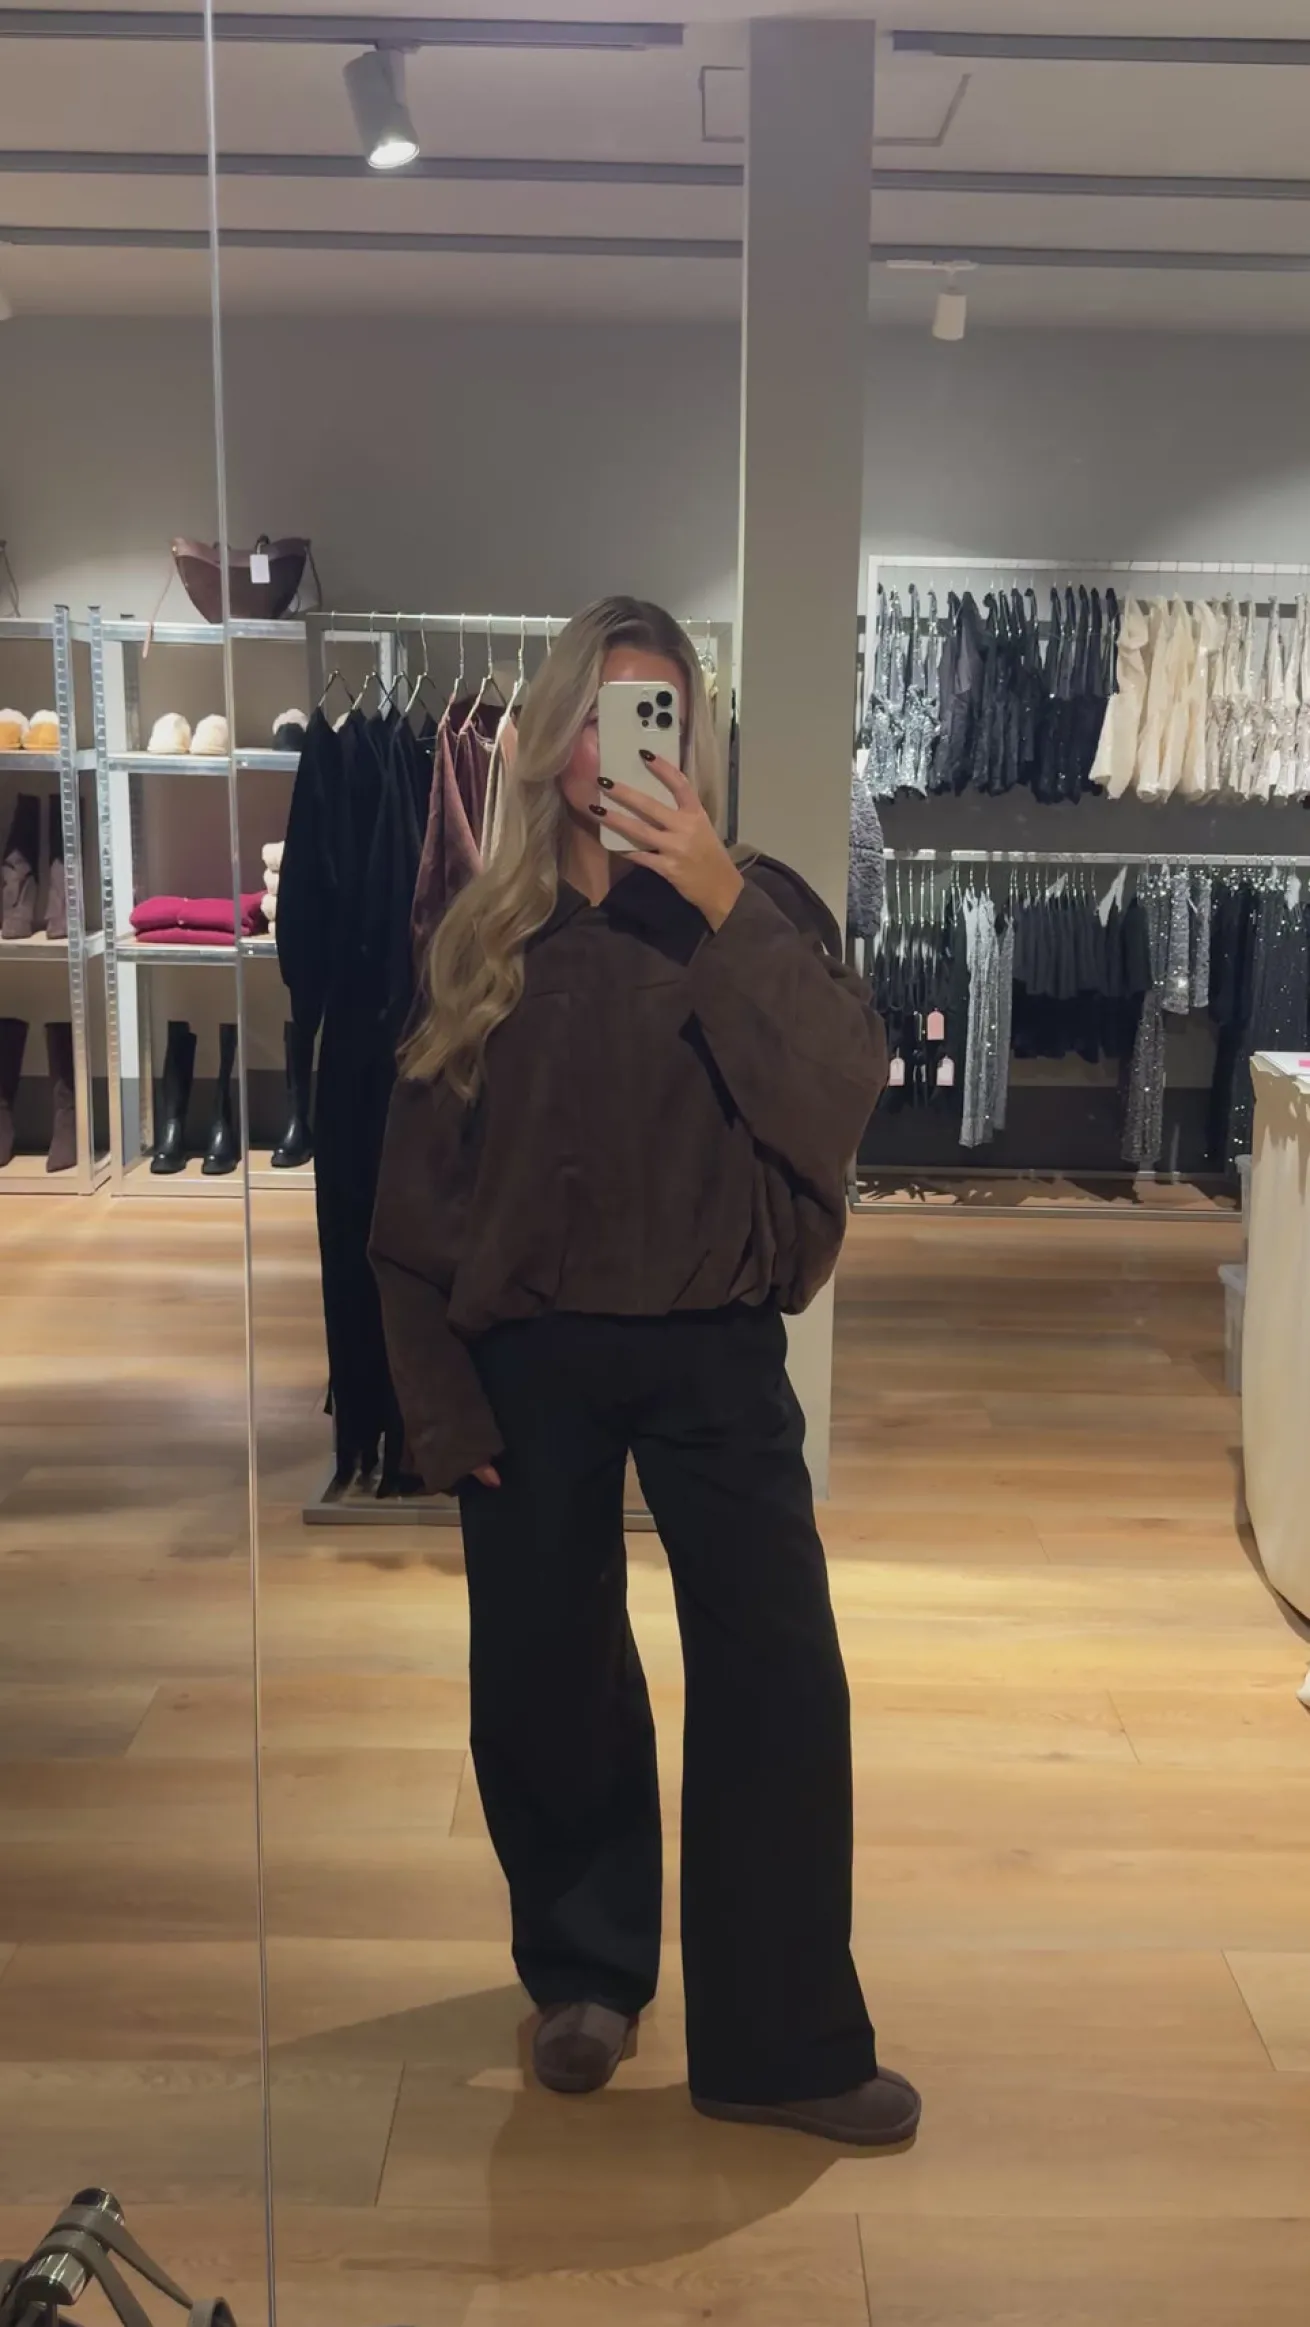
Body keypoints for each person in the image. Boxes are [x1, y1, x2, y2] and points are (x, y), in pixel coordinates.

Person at [370, 596, 920, 2147]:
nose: (625, 749)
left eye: (657, 713)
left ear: (689, 739)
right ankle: (583, 1975)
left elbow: (841, 1092)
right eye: (603, 714)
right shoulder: (485, 937)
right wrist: (437, 1397)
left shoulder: (759, 909)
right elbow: (413, 1192)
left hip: (712, 1343)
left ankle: (781, 2044)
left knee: (777, 1675)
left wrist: (723, 896)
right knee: (544, 1672)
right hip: (528, 1355)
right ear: (553, 741)